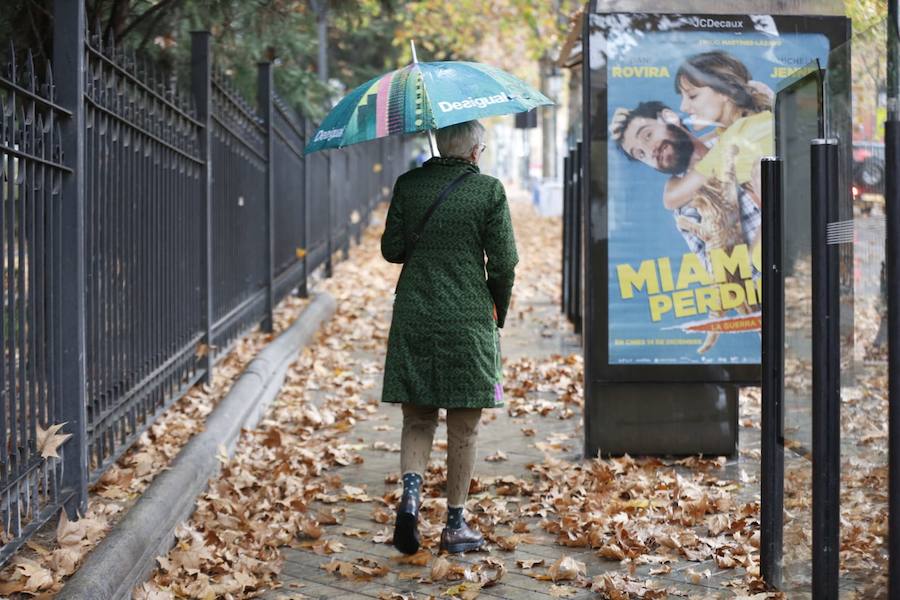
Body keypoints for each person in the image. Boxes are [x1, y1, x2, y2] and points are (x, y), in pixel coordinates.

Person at [380, 120, 518, 555]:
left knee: (418, 417)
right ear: (476, 151)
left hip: (415, 314)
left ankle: (411, 498)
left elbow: (392, 249)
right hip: (467, 318)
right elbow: (504, 263)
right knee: (464, 426)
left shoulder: (409, 184)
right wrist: (498, 308)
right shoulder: (489, 191)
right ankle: (455, 525)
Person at [664, 51, 774, 210]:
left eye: (693, 96)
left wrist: (671, 180)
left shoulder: (736, 139)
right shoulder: (753, 123)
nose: (683, 107)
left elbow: (672, 199)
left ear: (726, 91)